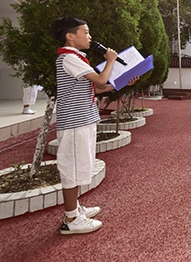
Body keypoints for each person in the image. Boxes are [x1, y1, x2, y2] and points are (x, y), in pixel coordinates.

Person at [50, 17, 138, 235]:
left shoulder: (77, 58)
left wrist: (123, 81)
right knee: (72, 168)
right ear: (70, 36)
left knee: (79, 165)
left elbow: (95, 89)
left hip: (83, 120)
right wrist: (110, 61)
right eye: (85, 32)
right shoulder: (69, 58)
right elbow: (99, 81)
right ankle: (70, 219)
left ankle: (75, 209)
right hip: (75, 123)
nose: (89, 37)